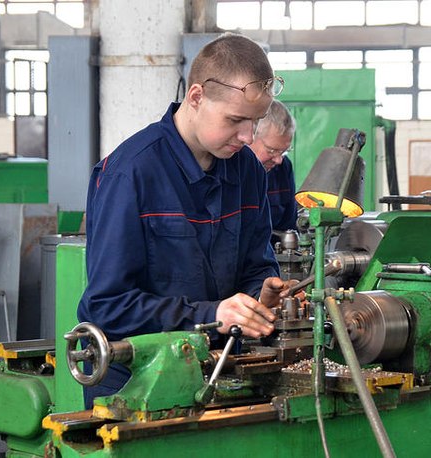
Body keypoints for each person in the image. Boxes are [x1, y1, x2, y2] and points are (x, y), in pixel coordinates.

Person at [78, 33, 291, 406]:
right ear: (196, 97)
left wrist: (261, 296)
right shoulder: (130, 174)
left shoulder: (248, 171)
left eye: (255, 122)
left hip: (220, 368)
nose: (247, 136)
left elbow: (256, 265)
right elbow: (108, 305)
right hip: (133, 379)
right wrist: (213, 314)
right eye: (236, 120)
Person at [248, 100, 297, 237]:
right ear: (249, 137)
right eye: (271, 150)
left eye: (284, 151)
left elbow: (289, 225)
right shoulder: (229, 170)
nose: (278, 160)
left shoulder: (283, 168)